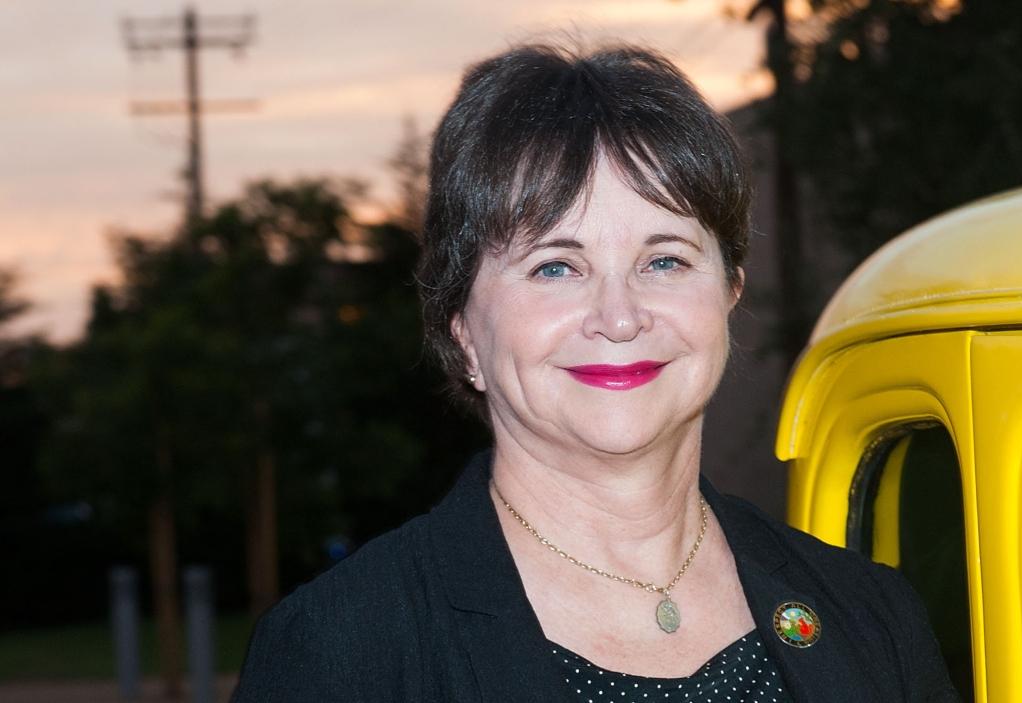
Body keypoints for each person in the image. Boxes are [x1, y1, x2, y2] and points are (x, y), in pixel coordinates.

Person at [232, 43, 959, 702]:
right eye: (555, 266)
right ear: (462, 328)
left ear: (730, 291)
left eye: (664, 259)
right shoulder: (340, 650)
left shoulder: (872, 616)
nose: (619, 315)